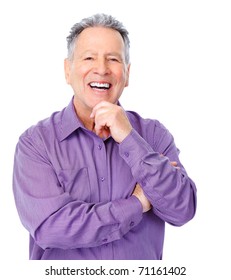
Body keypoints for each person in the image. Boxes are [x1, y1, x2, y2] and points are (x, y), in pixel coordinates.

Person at [13, 13, 197, 260]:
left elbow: (182, 209)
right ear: (68, 70)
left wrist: (130, 139)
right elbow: (50, 228)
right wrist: (137, 204)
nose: (101, 69)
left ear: (127, 74)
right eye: (89, 58)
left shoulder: (153, 136)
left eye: (113, 59)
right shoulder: (36, 143)